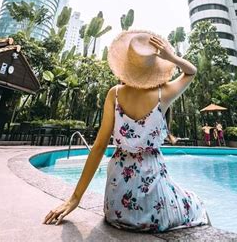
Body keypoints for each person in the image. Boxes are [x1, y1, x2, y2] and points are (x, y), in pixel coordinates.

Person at [44, 30, 208, 231]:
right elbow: (191, 71)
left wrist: (74, 199)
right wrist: (171, 57)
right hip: (155, 210)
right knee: (196, 204)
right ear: (154, 65)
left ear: (127, 65)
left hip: (116, 209)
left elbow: (98, 147)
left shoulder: (114, 94)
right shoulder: (163, 94)